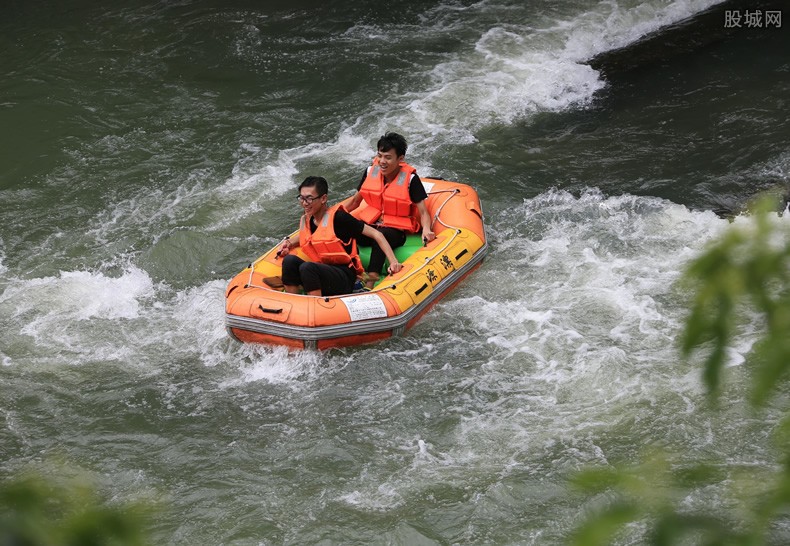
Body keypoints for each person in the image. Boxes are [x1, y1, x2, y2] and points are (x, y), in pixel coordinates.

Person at [277, 176, 403, 296]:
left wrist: (393, 262)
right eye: (302, 198)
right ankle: (293, 302)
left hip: (346, 276)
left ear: (323, 198)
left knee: (307, 267)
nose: (305, 203)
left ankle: (315, 308)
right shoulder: (308, 220)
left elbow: (377, 234)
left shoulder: (339, 218)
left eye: (309, 199)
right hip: (323, 270)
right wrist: (289, 243)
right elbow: (309, 237)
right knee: (290, 261)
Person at [341, 132, 436, 289]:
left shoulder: (411, 180)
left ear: (400, 159)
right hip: (372, 225)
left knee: (382, 235)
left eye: (388, 157)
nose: (382, 162)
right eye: (380, 156)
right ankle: (348, 274)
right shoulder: (370, 171)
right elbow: (355, 201)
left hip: (395, 232)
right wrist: (333, 217)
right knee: (345, 228)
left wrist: (426, 229)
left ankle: (370, 283)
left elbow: (424, 212)